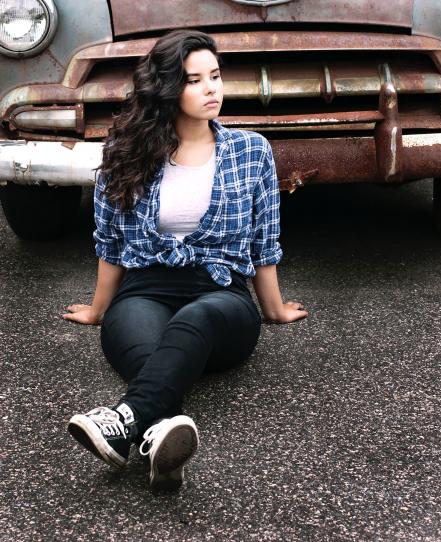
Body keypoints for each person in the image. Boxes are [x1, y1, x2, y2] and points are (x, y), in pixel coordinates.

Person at [63, 30, 308, 491]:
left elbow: (263, 241)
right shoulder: (125, 153)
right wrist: (99, 310)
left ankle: (121, 420)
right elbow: (111, 242)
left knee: (197, 318)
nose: (211, 88)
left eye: (215, 76)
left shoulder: (251, 151)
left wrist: (273, 309)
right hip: (145, 289)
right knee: (145, 342)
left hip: (221, 295)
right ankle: (160, 435)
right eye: (194, 80)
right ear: (168, 89)